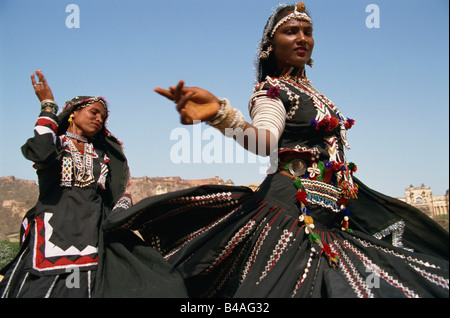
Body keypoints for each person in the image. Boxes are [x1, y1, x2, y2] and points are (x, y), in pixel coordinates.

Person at [103, 2, 449, 298]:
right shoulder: (272, 91)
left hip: (332, 218)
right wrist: (221, 116)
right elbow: (264, 141)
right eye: (291, 31)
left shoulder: (313, 92)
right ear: (271, 44)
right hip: (290, 217)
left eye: (307, 31)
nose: (302, 38)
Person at [0, 71, 187, 298]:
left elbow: (114, 192)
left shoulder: (101, 155)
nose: (99, 119)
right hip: (56, 231)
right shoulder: (56, 145)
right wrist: (48, 106)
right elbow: (39, 151)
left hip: (96, 230)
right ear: (73, 113)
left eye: (103, 117)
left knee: (158, 281)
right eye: (94, 112)